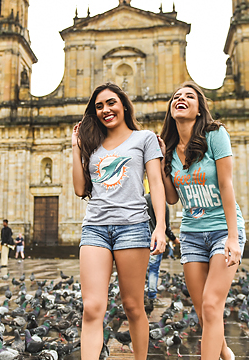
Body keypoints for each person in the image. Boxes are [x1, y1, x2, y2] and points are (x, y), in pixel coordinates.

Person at [72, 82, 166, 360]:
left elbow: (157, 184)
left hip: (133, 227)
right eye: (99, 106)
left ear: (123, 104)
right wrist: (75, 149)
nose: (105, 110)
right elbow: (80, 189)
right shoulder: (93, 145)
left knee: (133, 306)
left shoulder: (144, 138)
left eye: (111, 103)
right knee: (92, 307)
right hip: (95, 229)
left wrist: (160, 226)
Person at [159, 81, 245, 360]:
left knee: (211, 306)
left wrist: (233, 237)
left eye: (189, 96)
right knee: (202, 310)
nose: (181, 99)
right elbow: (172, 198)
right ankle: (226, 355)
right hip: (192, 235)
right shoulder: (170, 150)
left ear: (198, 110)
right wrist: (161, 164)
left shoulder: (215, 134)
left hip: (222, 230)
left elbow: (226, 185)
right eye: (176, 97)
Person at [144, 193, 178, 306]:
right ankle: (152, 297)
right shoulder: (162, 204)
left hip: (141, 237)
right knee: (153, 270)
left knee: (140, 270)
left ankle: (139, 296)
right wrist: (173, 238)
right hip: (154, 239)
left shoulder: (143, 199)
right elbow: (165, 226)